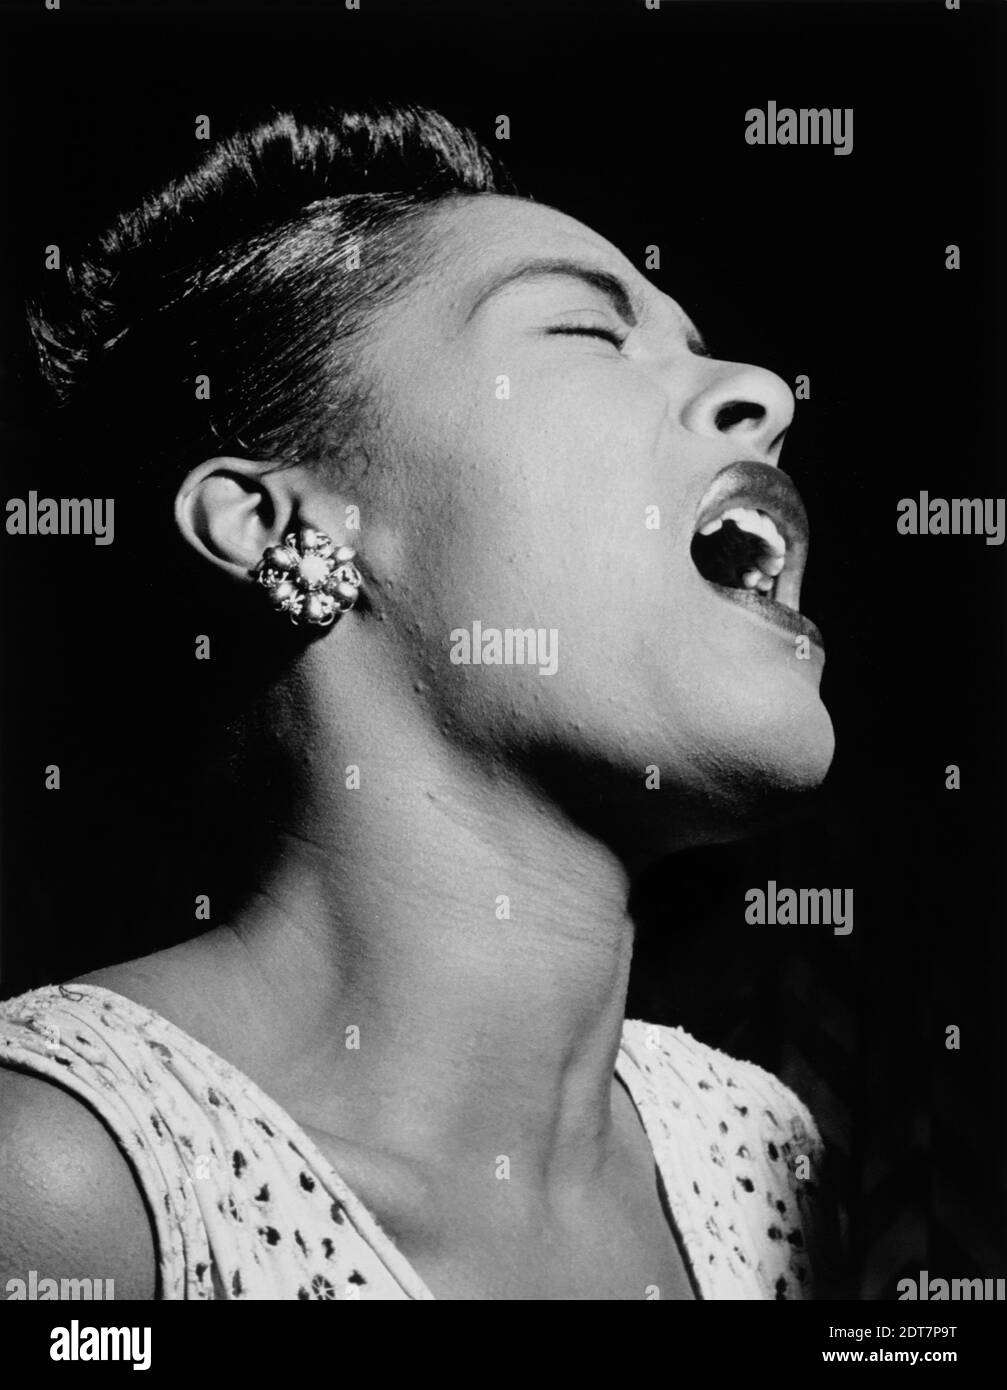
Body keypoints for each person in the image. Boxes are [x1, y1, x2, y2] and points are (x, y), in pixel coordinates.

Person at [0, 103, 834, 1301]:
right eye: (588, 332)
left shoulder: (769, 1156)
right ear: (284, 526)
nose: (761, 389)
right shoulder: (63, 1183)